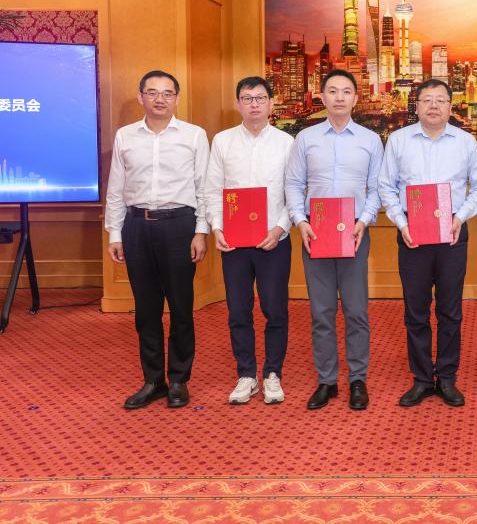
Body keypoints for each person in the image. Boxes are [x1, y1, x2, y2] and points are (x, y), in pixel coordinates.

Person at [379, 79, 477, 408]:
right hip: (412, 234)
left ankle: (448, 377)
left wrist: (460, 217)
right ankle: (422, 379)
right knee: (415, 311)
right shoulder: (398, 140)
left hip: (452, 232)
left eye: (440, 100)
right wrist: (402, 224)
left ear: (450, 107)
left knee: (450, 310)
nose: (434, 106)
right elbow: (386, 187)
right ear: (416, 106)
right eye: (427, 100)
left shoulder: (466, 142)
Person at [106, 70, 209, 410]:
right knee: (146, 310)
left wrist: (201, 231)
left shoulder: (194, 136)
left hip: (179, 226)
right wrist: (115, 232)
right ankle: (153, 380)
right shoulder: (125, 136)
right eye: (152, 92)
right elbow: (116, 188)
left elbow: (204, 188)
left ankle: (179, 379)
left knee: (181, 308)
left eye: (167, 93)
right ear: (141, 97)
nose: (160, 99)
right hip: (136, 226)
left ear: (177, 98)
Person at [285, 69, 383, 411]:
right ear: (322, 96)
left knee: (356, 311)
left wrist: (364, 220)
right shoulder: (305, 138)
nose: (339, 97)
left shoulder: (370, 140)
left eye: (346, 92)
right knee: (322, 312)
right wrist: (300, 221)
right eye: (332, 91)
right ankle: (326, 380)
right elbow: (294, 184)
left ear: (356, 98)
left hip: (355, 233)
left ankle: (358, 379)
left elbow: (377, 188)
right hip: (316, 232)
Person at [205, 76, 294, 405]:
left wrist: (280, 228)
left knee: (275, 309)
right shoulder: (223, 141)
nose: (254, 103)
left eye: (260, 98)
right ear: (238, 104)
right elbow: (213, 189)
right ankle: (246, 374)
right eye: (247, 98)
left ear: (271, 103)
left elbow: (295, 191)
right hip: (234, 242)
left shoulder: (287, 143)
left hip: (274, 240)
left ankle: (272, 373)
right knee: (238, 310)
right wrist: (217, 227)